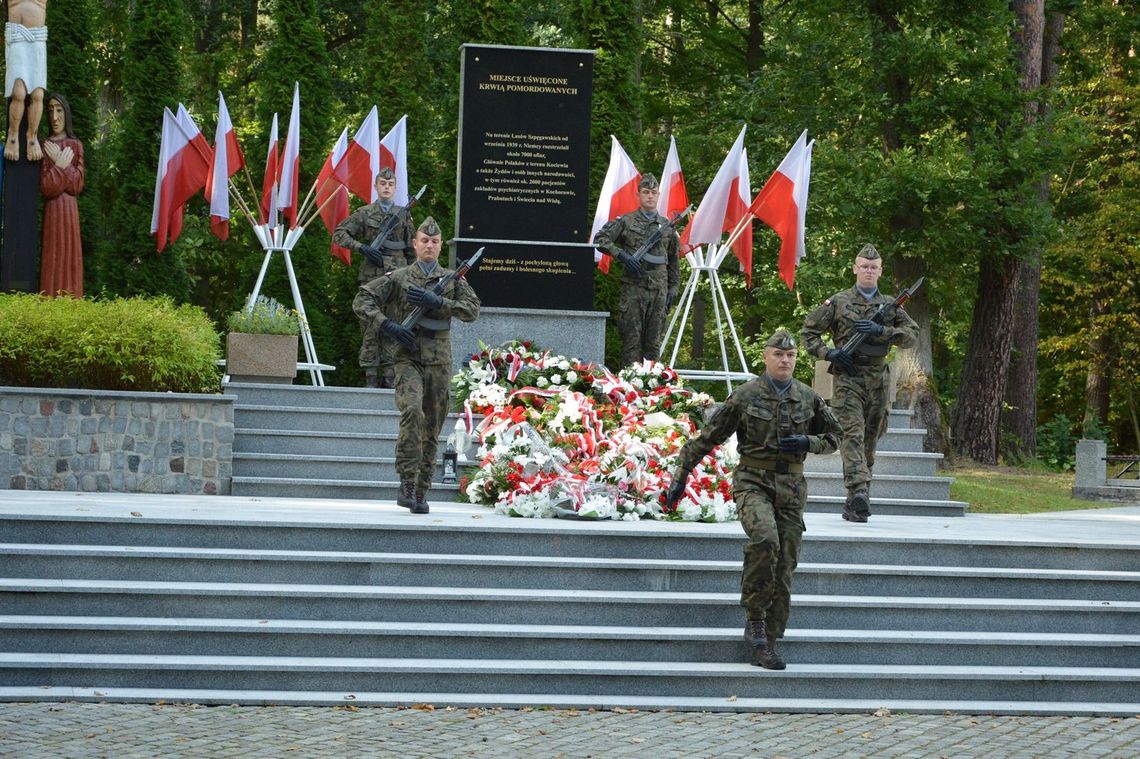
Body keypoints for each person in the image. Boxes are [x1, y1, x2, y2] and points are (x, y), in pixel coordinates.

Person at [667, 330, 841, 669]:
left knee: (786, 563)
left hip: (791, 487)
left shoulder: (807, 397)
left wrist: (809, 444)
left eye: (790, 356)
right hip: (753, 482)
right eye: (778, 355)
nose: (785, 361)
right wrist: (681, 474)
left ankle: (768, 644)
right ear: (766, 357)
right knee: (765, 539)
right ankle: (755, 617)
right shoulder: (746, 396)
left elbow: (835, 437)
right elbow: (709, 437)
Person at [352, 216, 480, 514]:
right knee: (412, 412)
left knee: (432, 427)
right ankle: (406, 482)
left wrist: (439, 303)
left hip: (439, 361)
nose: (430, 246)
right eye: (425, 240)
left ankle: (421, 491)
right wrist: (389, 326)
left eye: (435, 242)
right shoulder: (398, 277)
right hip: (407, 357)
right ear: (415, 243)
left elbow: (473, 310)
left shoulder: (453, 279)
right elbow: (363, 299)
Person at [800, 243, 918, 523]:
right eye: (864, 266)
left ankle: (857, 502)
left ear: (880, 272)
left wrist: (883, 330)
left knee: (869, 440)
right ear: (855, 269)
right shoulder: (838, 301)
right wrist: (830, 353)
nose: (868, 271)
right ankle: (858, 491)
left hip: (878, 380)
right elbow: (808, 333)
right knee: (851, 434)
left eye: (873, 267)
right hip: (848, 378)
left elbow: (911, 336)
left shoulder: (889, 305)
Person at [333, 167, 416, 388]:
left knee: (395, 324)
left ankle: (389, 376)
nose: (386, 188)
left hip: (398, 278)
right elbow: (339, 233)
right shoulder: (365, 213)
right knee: (370, 325)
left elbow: (411, 248)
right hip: (372, 278)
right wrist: (362, 248)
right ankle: (370, 375)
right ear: (376, 186)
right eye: (382, 184)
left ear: (395, 188)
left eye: (390, 185)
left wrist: (413, 277)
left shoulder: (404, 213)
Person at [592, 173, 680, 367]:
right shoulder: (626, 221)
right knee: (631, 343)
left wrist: (673, 290)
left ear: (658, 195)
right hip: (634, 289)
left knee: (653, 344)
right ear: (638, 195)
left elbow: (673, 261)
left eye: (654, 193)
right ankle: (629, 390)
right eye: (646, 192)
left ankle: (653, 391)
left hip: (659, 292)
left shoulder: (667, 227)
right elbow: (600, 239)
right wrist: (621, 255)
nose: (650, 196)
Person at [39, 93, 83, 297]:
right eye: (50, 111)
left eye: (58, 110)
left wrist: (61, 168)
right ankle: (49, 303)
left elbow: (77, 185)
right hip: (53, 211)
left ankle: (72, 302)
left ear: (66, 114)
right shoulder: (45, 145)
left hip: (70, 211)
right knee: (52, 254)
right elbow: (47, 187)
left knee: (70, 256)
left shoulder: (76, 145)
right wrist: (60, 165)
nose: (54, 117)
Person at [5, 0, 47, 161]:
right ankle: (13, 134)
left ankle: (32, 136)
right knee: (18, 93)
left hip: (37, 39)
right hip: (16, 37)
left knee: (38, 95)